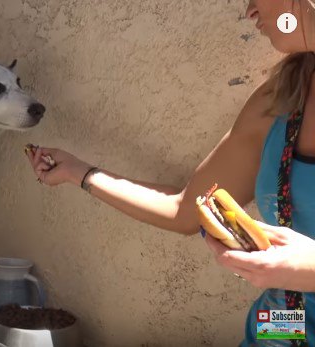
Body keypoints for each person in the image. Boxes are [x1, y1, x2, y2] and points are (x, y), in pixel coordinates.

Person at [25, 0, 315, 345]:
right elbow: (185, 210)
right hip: (278, 329)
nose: (250, 10)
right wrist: (80, 172)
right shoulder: (282, 98)